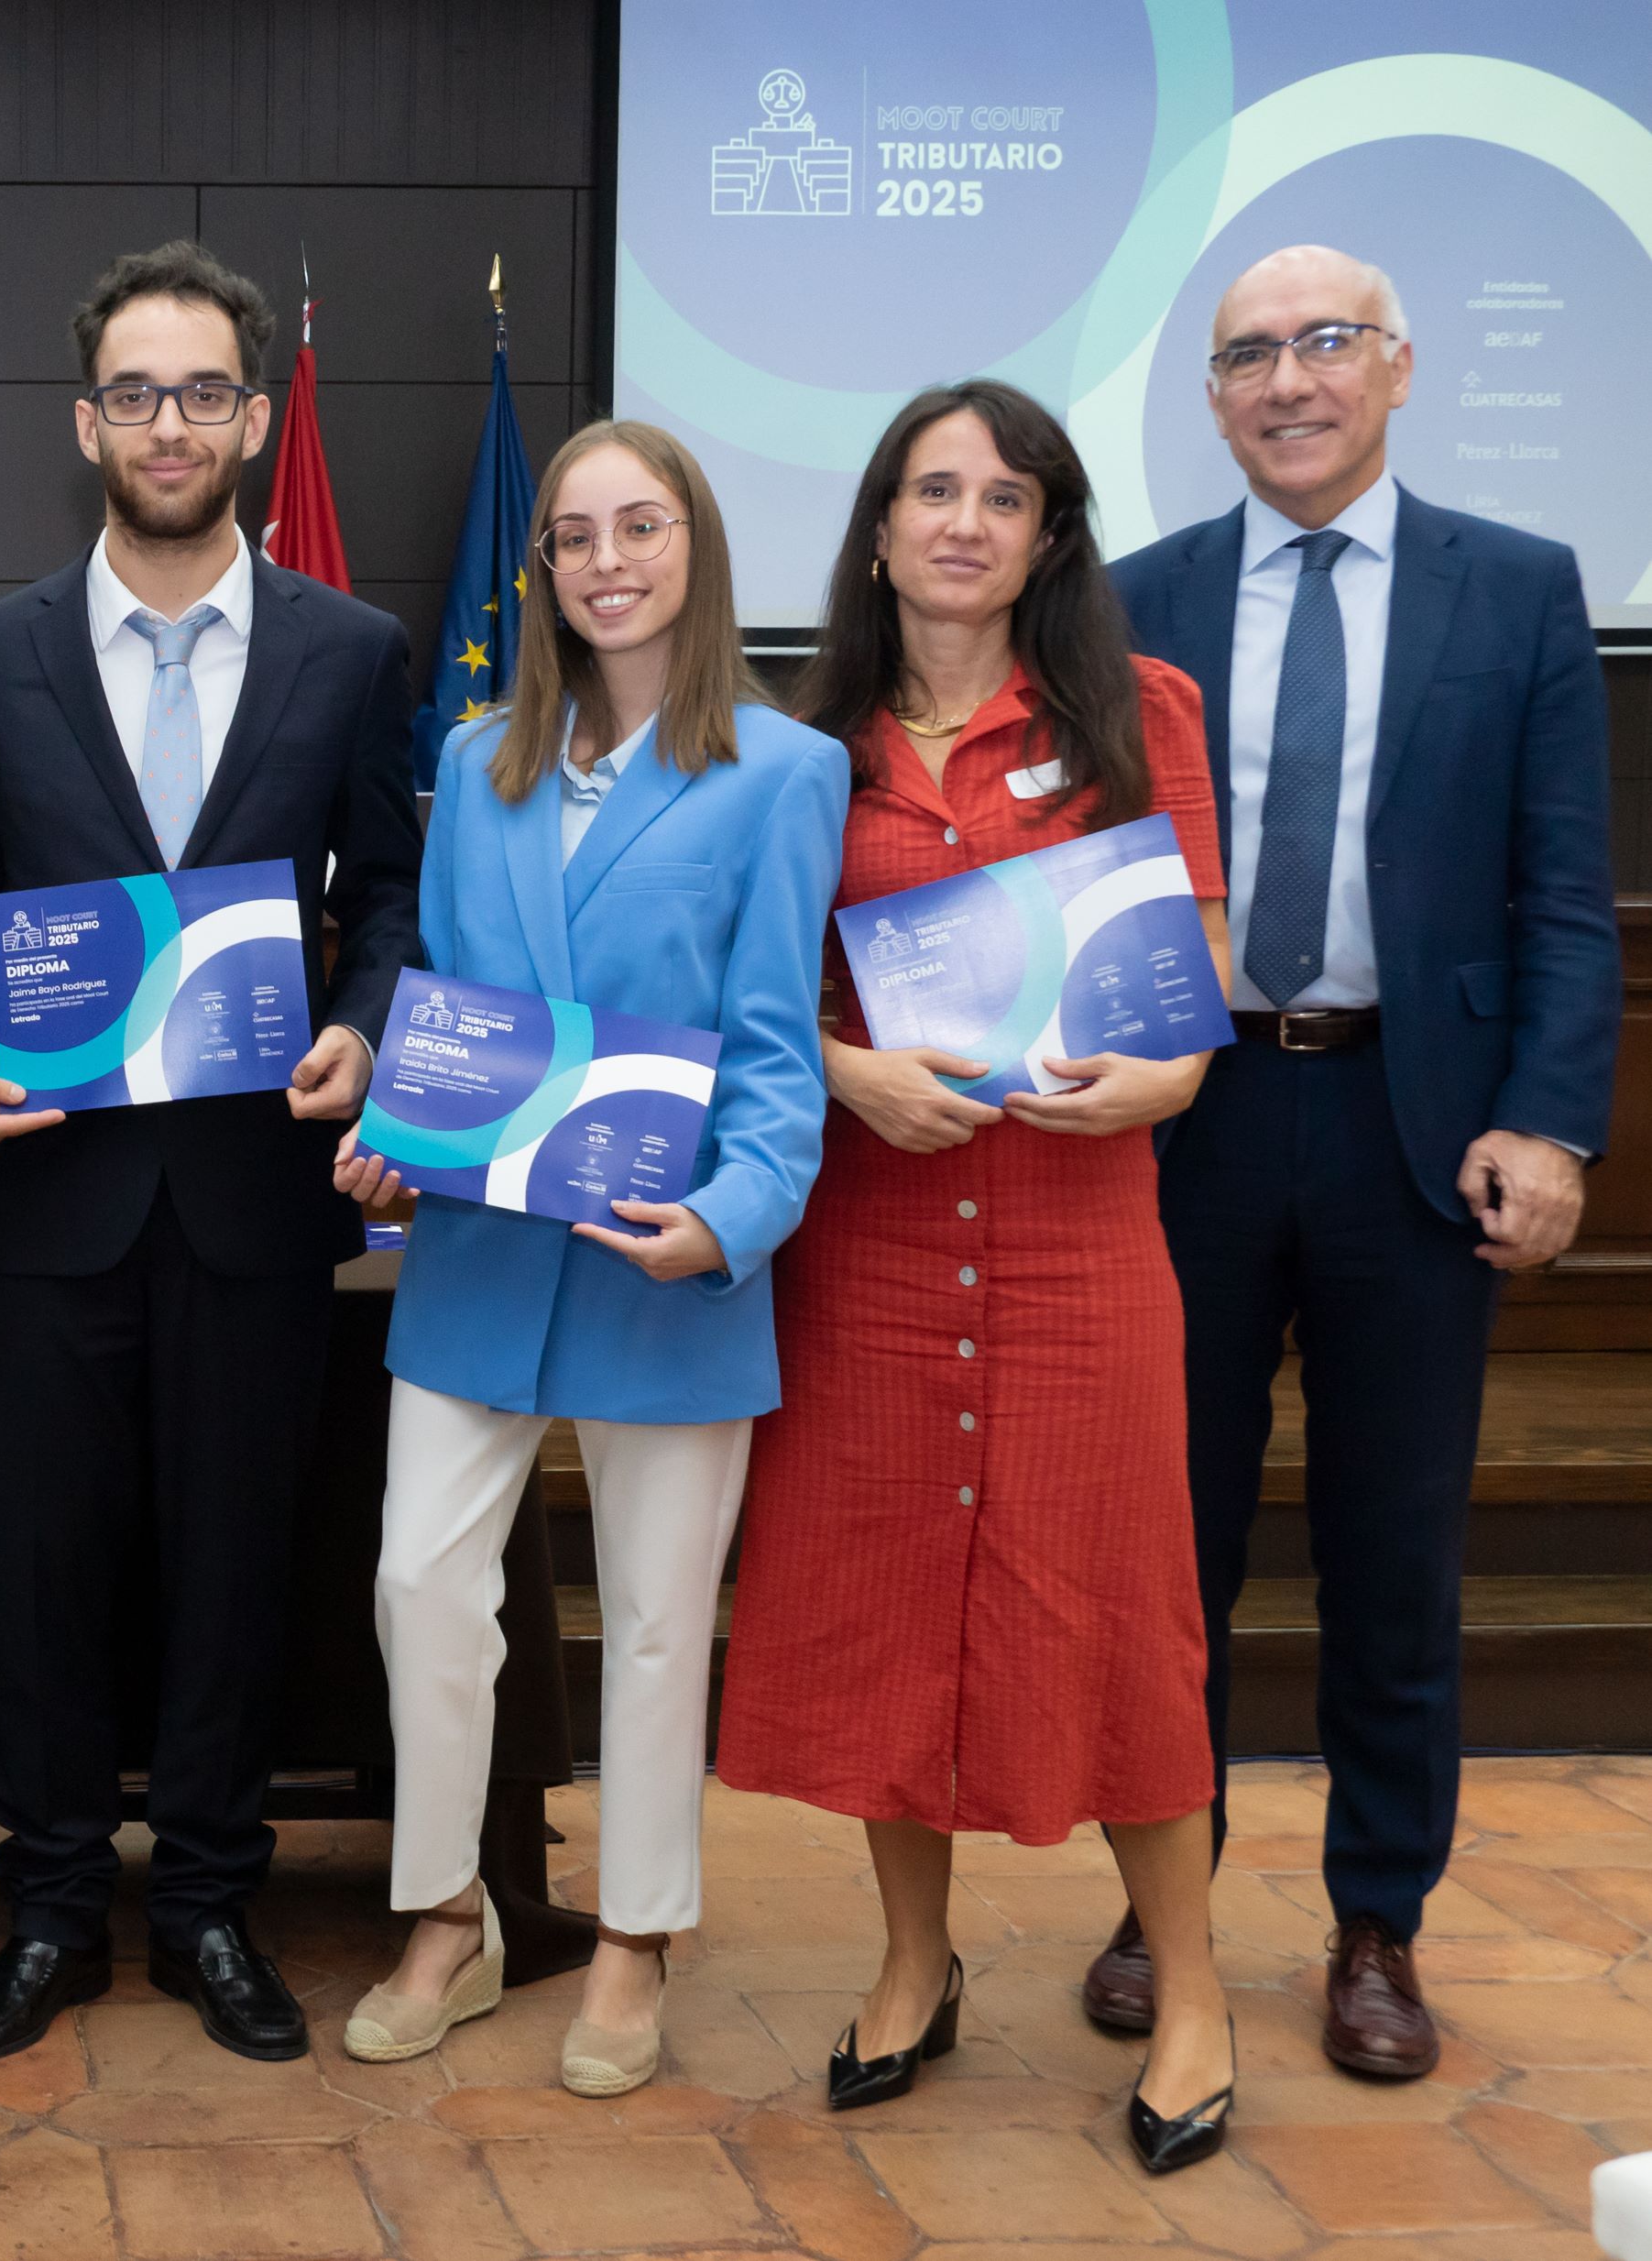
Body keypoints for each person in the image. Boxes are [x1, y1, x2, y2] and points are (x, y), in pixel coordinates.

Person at [1088, 246, 1619, 2079]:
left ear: (1394, 367)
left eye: (1322, 345)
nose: (1284, 380)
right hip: (1189, 1126)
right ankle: (1159, 1898)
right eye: (1246, 354)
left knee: (1392, 1561)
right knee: (1163, 1547)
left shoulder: (1519, 590)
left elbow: (1561, 893)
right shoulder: (1130, 598)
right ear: (1211, 396)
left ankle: (1374, 1922)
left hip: (1418, 1131)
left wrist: (1547, 1122)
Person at [0, 241, 422, 2067]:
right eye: (135, 391)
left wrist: (362, 1019)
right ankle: (47, 1905)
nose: (169, 422)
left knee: (231, 1565)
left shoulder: (354, 652)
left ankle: (205, 1899)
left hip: (252, 1202)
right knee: (35, 1564)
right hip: (47, 1192)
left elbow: (388, 897)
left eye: (204, 391)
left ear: (255, 419)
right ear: (82, 420)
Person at [716, 380, 1242, 2173]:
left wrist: (1154, 1078)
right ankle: (909, 1958)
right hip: (866, 1246)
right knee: (879, 1609)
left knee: (1118, 1614)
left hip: (1074, 1246)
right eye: (927, 491)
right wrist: (845, 1070)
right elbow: (760, 993)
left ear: (1042, 534)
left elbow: (1192, 992)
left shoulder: (1133, 714)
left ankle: (1187, 1992)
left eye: (998, 496)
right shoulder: (808, 747)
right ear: (874, 527)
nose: (959, 521)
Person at [332, 423, 844, 2091]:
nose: (608, 558)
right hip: (483, 1256)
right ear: (541, 571)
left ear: (694, 543)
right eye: (573, 536)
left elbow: (776, 1050)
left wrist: (733, 1216)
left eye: (641, 525)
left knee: (650, 1623)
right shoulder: (480, 764)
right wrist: (394, 1148)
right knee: (421, 1585)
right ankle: (450, 1911)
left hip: (665, 1258)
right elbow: (459, 1026)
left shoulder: (780, 771)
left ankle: (634, 1941)